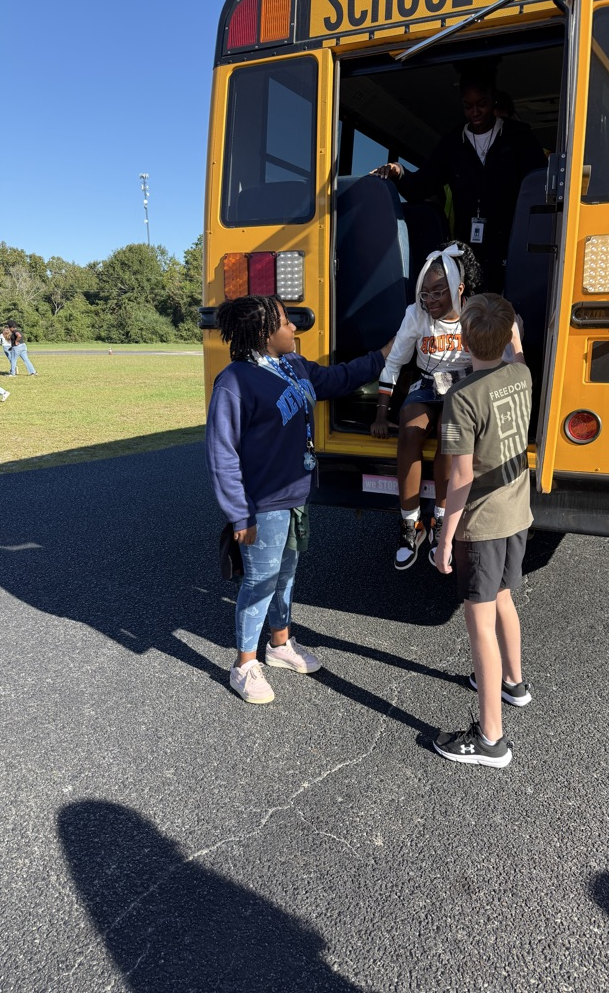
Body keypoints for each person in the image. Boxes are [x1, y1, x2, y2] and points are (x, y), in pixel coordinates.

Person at [205, 295, 393, 705]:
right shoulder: (234, 381)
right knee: (259, 581)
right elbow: (222, 454)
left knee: (286, 574)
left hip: (295, 495)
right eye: (287, 323)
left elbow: (341, 378)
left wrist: (386, 353)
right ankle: (243, 665)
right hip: (263, 502)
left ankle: (279, 645)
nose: (295, 329)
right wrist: (240, 515)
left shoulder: (293, 366)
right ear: (263, 333)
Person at [432, 292, 533, 768]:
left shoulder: (462, 397)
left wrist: (445, 537)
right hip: (517, 516)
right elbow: (514, 344)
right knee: (505, 599)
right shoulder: (522, 373)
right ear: (509, 333)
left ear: (463, 339)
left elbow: (461, 478)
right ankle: (514, 683)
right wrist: (508, 326)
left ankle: (491, 739)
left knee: (479, 629)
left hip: (483, 525)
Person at [370, 69, 547, 293]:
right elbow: (421, 187)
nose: (475, 112)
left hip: (512, 245)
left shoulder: (518, 137)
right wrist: (399, 172)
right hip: (468, 249)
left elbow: (539, 186)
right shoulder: (452, 144)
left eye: (481, 103)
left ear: (493, 98)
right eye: (467, 105)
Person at [371, 242, 481, 570]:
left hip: (461, 386)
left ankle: (441, 522)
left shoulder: (475, 314)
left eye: (438, 293)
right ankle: (411, 524)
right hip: (426, 384)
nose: (430, 301)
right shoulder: (415, 315)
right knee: (409, 429)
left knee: (451, 435)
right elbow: (393, 363)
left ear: (458, 289)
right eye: (425, 294)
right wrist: (380, 412)